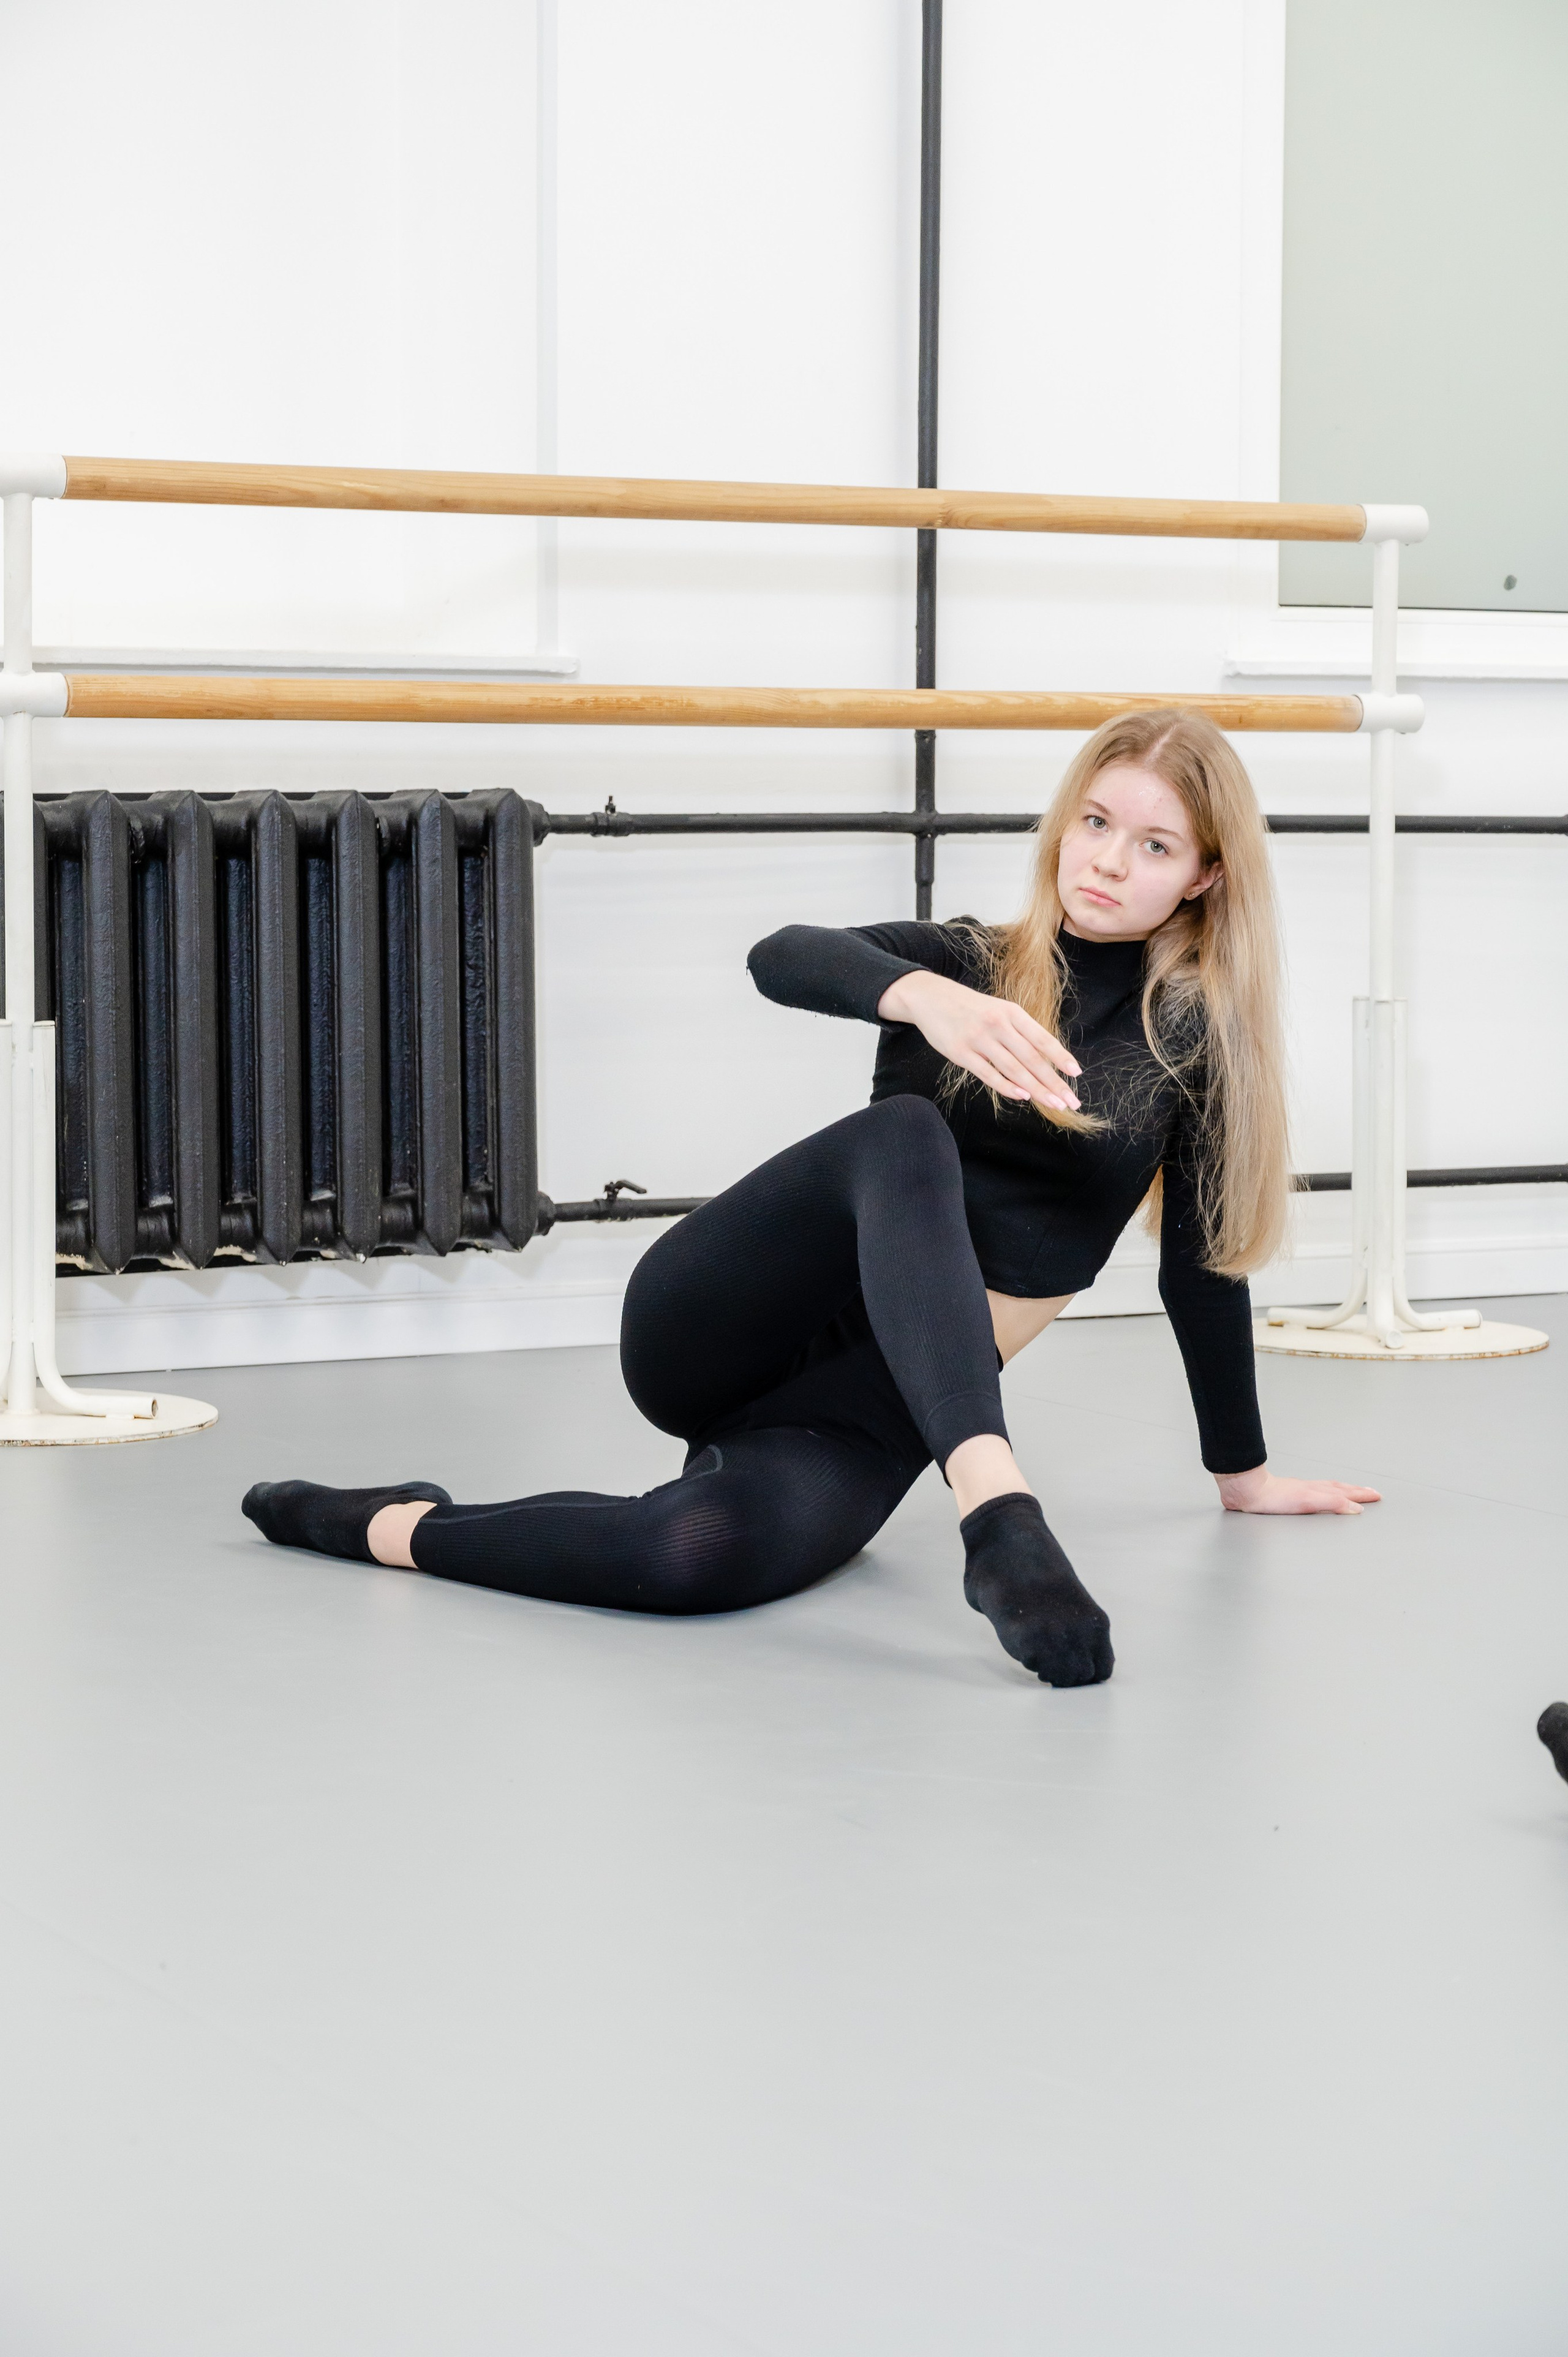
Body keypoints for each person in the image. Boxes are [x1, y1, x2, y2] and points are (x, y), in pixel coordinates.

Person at [243, 709, 1378, 1686]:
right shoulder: (971, 962)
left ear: (1205, 876)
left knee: (691, 1558)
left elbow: (1202, 1270)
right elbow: (779, 953)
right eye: (1095, 822)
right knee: (906, 1133)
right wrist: (926, 1000)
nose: (1109, 862)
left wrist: (1244, 1475)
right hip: (725, 1324)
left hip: (876, 1411)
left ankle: (378, 1521)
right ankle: (999, 1508)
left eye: (1154, 844)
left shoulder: (1193, 1051)